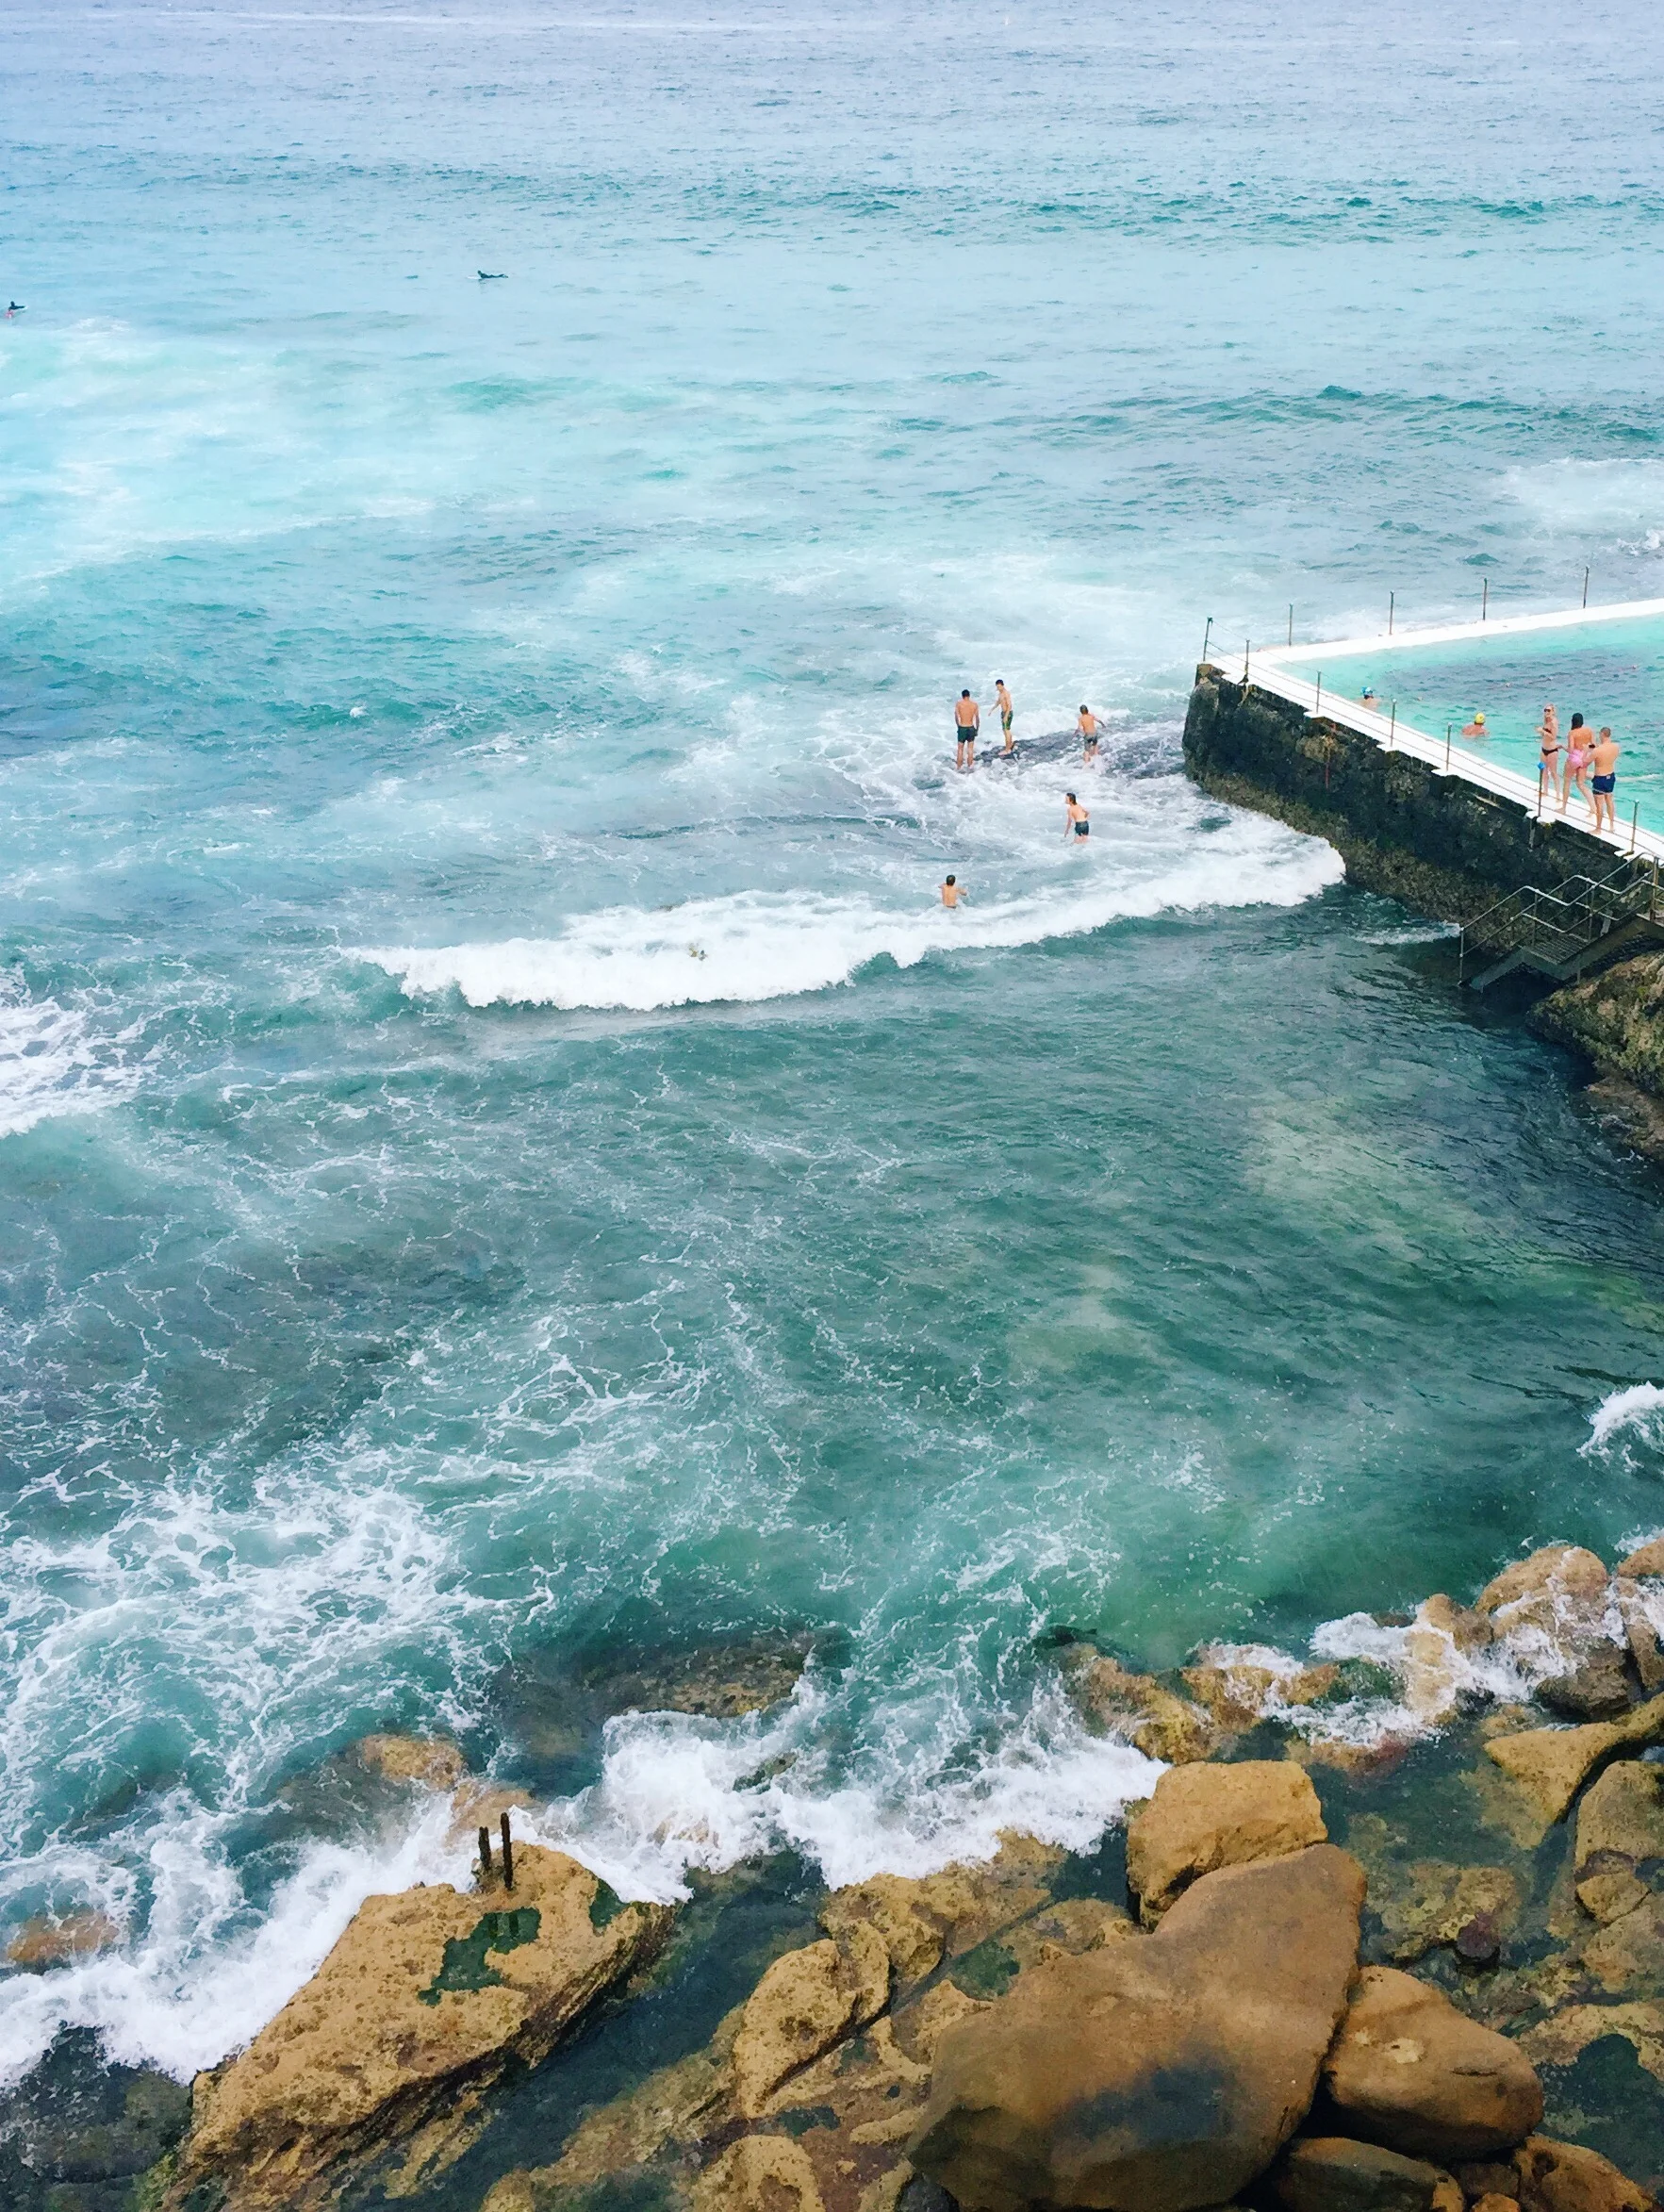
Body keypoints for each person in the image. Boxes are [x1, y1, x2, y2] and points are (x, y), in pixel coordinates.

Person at [1590, 726, 1621, 834]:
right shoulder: (1616, 747)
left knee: (1599, 804)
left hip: (1600, 778)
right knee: (1609, 800)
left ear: (1602, 734)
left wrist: (1586, 751)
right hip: (1610, 776)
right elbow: (1609, 755)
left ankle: (1598, 828)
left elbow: (1585, 762)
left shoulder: (1597, 750)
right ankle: (1611, 826)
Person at [1561, 717, 1592, 814]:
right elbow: (1594, 745)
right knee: (1581, 784)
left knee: (1567, 782)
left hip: (1574, 758)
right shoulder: (1589, 731)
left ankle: (1563, 808)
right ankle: (1593, 808)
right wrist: (1585, 748)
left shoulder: (1572, 733)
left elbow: (1570, 749)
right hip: (1583, 757)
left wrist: (1562, 747)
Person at [954, 689, 980, 771]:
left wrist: (958, 726)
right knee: (970, 749)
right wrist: (977, 729)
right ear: (969, 696)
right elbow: (977, 718)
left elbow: (956, 717)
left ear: (962, 696)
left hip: (962, 727)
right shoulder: (974, 705)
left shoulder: (959, 704)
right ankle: (970, 767)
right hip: (971, 727)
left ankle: (958, 768)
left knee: (960, 749)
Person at [995, 679, 1014, 753]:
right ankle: (1010, 744)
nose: (998, 688)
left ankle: (1007, 749)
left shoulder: (1006, 693)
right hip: (1003, 713)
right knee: (1006, 730)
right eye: (997, 687)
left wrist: (1006, 716)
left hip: (1007, 713)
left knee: (1006, 731)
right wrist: (992, 709)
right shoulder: (1000, 693)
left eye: (1000, 687)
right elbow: (998, 702)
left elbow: (1009, 705)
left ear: (1003, 685)